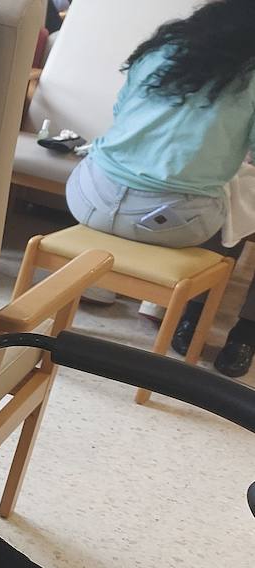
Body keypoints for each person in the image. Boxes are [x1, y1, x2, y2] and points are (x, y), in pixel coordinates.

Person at [64, 0, 255, 377]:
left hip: (87, 194)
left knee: (204, 185)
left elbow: (122, 116)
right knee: (233, 201)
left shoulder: (160, 51)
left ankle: (110, 283)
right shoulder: (249, 76)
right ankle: (192, 318)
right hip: (171, 222)